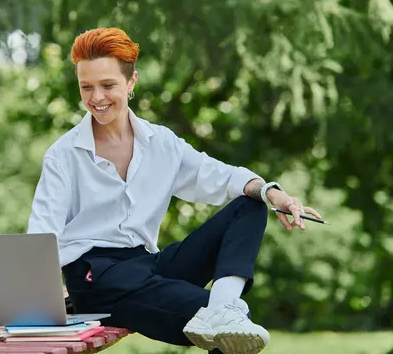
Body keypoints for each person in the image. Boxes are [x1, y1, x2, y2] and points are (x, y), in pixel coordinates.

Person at [27, 27, 322, 354]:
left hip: (147, 264)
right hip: (97, 279)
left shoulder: (161, 143)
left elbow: (222, 177)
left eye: (108, 85)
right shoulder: (63, 155)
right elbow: (42, 235)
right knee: (233, 333)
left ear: (131, 82)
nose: (96, 98)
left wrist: (273, 194)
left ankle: (223, 308)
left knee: (249, 204)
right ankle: (222, 314)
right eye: (87, 87)